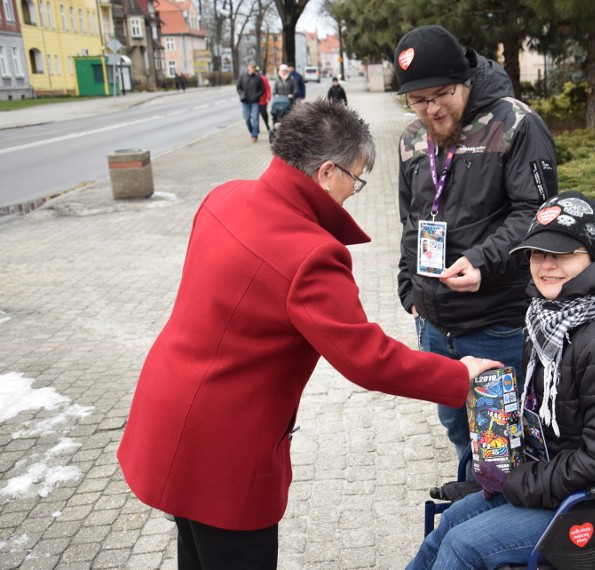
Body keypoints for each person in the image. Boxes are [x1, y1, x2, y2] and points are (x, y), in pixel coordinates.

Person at [116, 99, 502, 570]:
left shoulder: (225, 196)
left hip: (169, 413)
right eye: (356, 180)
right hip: (225, 451)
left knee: (195, 554)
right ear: (325, 173)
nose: (353, 193)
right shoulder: (310, 254)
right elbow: (367, 358)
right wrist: (457, 378)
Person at [407, 191, 595, 569]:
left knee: (465, 546)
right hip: (556, 477)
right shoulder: (548, 318)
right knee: (448, 522)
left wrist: (523, 481)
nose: (547, 266)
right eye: (538, 254)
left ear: (593, 256)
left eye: (562, 255)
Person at [394, 25, 559, 466]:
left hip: (494, 325)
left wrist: (483, 262)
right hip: (432, 326)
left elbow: (537, 214)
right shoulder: (412, 138)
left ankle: (487, 528)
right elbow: (410, 220)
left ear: (464, 79)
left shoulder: (515, 124)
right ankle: (472, 508)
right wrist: (409, 290)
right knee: (459, 434)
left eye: (440, 94)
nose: (430, 109)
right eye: (417, 100)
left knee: (497, 449)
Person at [236, 64, 265, 143]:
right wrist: (241, 94)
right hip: (245, 101)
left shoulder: (258, 78)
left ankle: (254, 135)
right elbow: (238, 87)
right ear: (248, 68)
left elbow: (262, 89)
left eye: (254, 68)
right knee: (247, 119)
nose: (252, 69)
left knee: (255, 118)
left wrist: (257, 95)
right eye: (251, 67)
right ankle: (252, 131)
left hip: (255, 101)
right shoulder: (243, 77)